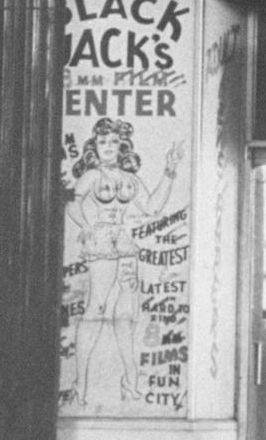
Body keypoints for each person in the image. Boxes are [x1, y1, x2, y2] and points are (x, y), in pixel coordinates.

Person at [65, 118, 183, 405]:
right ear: (94, 146)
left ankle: (130, 381)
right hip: (102, 242)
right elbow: (72, 202)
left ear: (122, 146)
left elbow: (153, 207)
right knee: (96, 308)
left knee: (125, 314)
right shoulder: (92, 176)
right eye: (102, 142)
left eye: (113, 142)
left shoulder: (130, 178)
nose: (108, 147)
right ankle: (82, 384)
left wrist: (169, 170)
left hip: (125, 245)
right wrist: (87, 225)